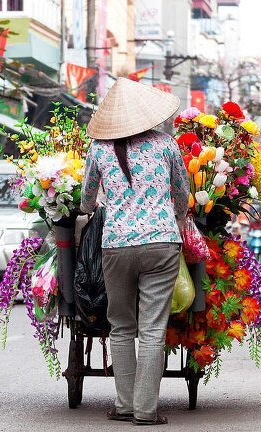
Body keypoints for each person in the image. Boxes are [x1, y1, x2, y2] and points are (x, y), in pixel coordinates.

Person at [81, 77, 188, 426]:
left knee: (121, 326)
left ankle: (125, 405)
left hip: (115, 245)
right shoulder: (166, 144)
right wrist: (176, 219)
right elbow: (181, 193)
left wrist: (96, 206)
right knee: (153, 329)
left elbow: (86, 199)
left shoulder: (98, 149)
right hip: (161, 243)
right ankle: (145, 411)